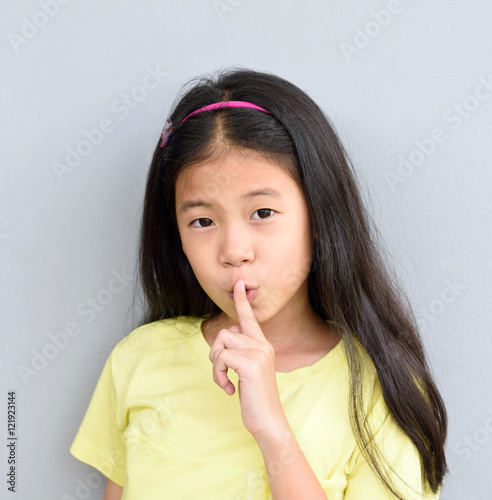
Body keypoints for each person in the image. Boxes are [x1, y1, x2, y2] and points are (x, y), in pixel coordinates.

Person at [69, 67, 448, 500]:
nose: (234, 250)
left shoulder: (378, 392)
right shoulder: (138, 359)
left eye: (262, 213)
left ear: (319, 218)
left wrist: (273, 431)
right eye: (203, 221)